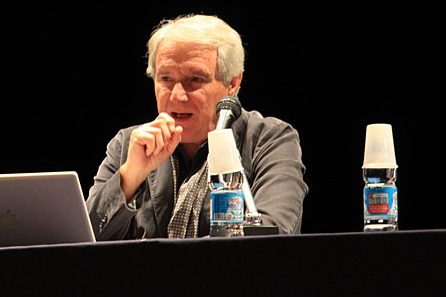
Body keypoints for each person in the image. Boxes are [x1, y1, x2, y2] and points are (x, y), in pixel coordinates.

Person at [86, 14, 307, 239]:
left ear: (233, 82)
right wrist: (130, 177)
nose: (177, 96)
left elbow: (274, 237)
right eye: (166, 79)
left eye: (195, 80)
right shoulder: (129, 144)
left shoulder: (269, 140)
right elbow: (82, 240)